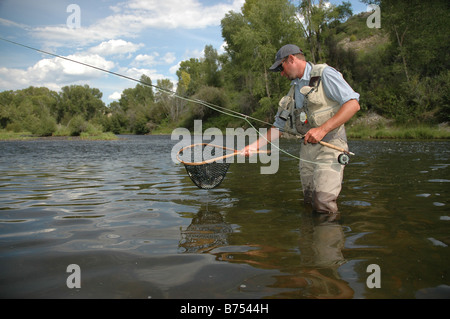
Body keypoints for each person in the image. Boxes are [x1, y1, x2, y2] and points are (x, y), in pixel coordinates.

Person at [242, 44, 360, 214]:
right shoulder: (293, 90)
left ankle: (329, 238)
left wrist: (322, 130)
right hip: (307, 150)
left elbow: (353, 104)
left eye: (281, 68)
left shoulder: (325, 73)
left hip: (331, 144)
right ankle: (308, 239)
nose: (281, 74)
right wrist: (254, 147)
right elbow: (278, 127)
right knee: (309, 201)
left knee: (322, 203)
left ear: (291, 59)